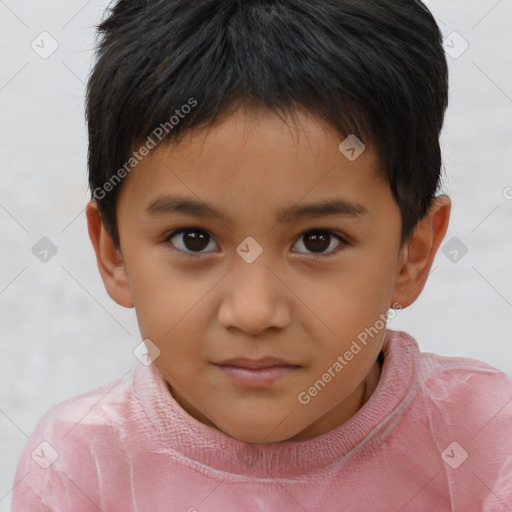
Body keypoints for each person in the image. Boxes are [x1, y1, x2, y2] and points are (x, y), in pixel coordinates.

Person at [12, 0, 512, 510]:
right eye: (193, 239)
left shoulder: (487, 440)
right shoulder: (79, 468)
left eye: (318, 240)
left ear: (413, 254)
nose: (253, 313)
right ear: (113, 252)